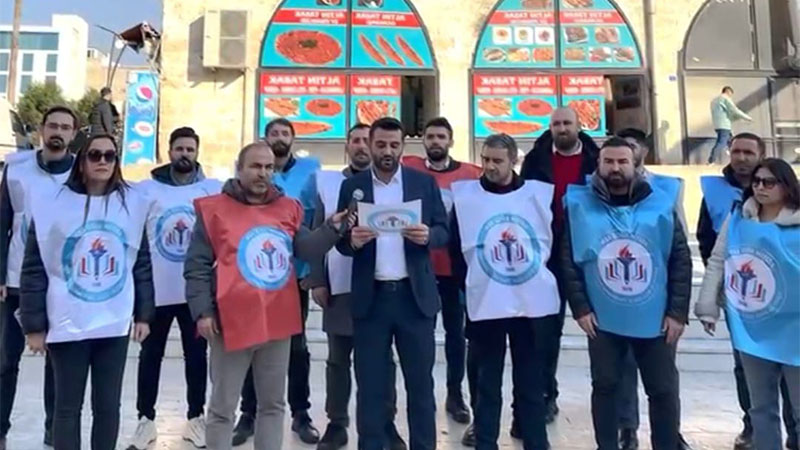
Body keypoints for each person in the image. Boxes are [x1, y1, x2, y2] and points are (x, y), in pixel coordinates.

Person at [184, 141, 346, 450]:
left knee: (273, 405)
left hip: (276, 321)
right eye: (256, 166)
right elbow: (197, 265)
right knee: (222, 407)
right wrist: (203, 311)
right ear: (239, 169)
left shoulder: (287, 208)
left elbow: (306, 248)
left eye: (269, 167)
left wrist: (331, 229)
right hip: (230, 321)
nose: (263, 173)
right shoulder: (214, 209)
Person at [19, 134, 154, 450]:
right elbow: (34, 268)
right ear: (82, 161)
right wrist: (34, 326)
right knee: (67, 406)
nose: (103, 161)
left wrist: (144, 315)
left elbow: (141, 262)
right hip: (67, 321)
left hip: (114, 322)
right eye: (95, 155)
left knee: (108, 405)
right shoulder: (52, 205)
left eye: (110, 156)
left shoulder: (131, 206)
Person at [560, 137, 692, 450]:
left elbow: (680, 259)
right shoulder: (579, 205)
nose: (615, 168)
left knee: (662, 390)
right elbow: (568, 259)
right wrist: (580, 307)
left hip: (656, 318)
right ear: (598, 165)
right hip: (602, 319)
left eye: (622, 161)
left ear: (635, 165)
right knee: (605, 386)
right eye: (609, 161)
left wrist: (677, 312)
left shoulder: (661, 204)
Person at [336, 117, 448, 450]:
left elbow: (444, 230)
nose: (387, 151)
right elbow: (340, 240)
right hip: (372, 300)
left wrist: (428, 235)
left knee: (421, 386)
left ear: (403, 147)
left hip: (414, 300)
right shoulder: (353, 187)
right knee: (370, 387)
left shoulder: (422, 183)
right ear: (370, 145)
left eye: (394, 145)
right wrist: (351, 241)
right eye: (381, 144)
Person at [450, 133, 560, 450]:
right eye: (485, 159)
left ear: (514, 161)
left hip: (529, 303)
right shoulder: (467, 198)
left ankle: (535, 441)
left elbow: (553, 240)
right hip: (486, 301)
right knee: (487, 381)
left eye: (497, 161)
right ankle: (486, 442)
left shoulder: (536, 196)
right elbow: (457, 247)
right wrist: (470, 285)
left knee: (530, 381)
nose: (490, 166)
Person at [308, 124, 406, 450]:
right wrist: (317, 280)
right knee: (338, 360)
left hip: (381, 287)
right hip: (340, 285)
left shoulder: (392, 185)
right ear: (347, 145)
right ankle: (337, 423)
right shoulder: (329, 185)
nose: (362, 146)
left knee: (382, 362)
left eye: (367, 140)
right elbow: (317, 231)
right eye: (356, 140)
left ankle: (386, 423)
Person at [697, 132, 797, 449]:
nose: (761, 187)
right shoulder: (739, 217)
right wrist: (707, 305)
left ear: (787, 186)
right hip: (752, 322)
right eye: (757, 182)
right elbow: (718, 258)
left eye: (769, 182)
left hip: (793, 327)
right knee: (761, 406)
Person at [126, 127, 222, 449]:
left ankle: (195, 417)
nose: (185, 154)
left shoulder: (211, 190)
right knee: (150, 356)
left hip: (194, 292)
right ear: (169, 152)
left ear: (197, 153)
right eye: (179, 148)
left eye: (190, 149)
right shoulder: (146, 190)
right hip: (157, 292)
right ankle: (145, 419)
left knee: (196, 356)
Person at [234, 118, 321, 446]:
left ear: (293, 139)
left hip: (292, 276)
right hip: (254, 274)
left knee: (296, 347)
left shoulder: (311, 172)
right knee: (251, 343)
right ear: (265, 138)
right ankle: (248, 413)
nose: (280, 137)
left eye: (285, 133)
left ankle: (301, 413)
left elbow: (312, 223)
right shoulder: (252, 175)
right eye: (274, 133)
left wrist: (310, 270)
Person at [0, 105, 78, 449]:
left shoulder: (81, 170)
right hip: (17, 280)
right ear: (42, 130)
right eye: (53, 125)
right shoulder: (16, 169)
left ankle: (52, 434)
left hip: (61, 282)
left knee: (57, 365)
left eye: (65, 127)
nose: (58, 132)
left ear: (73, 134)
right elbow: (2, 221)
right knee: (5, 360)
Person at [520, 106, 600, 427]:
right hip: (547, 255)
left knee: (602, 333)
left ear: (579, 126)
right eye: (556, 124)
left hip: (588, 252)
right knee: (544, 332)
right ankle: (545, 395)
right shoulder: (535, 160)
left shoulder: (597, 159)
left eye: (567, 123)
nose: (562, 128)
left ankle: (611, 404)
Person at [614, 128, 693, 450]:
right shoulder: (603, 186)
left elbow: (679, 243)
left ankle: (670, 432)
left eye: (632, 146)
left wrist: (677, 308)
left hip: (657, 294)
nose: (626, 153)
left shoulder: (667, 187)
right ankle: (627, 427)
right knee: (623, 368)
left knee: (663, 375)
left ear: (643, 151)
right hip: (620, 290)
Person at [401, 117, 481, 425]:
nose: (435, 141)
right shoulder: (410, 169)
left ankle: (455, 393)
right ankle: (423, 394)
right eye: (430, 136)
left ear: (450, 141)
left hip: (454, 270)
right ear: (423, 140)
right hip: (418, 267)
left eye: (441, 137)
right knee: (421, 335)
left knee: (455, 334)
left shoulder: (470, 175)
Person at [708, 86, 753, 164]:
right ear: (728, 92)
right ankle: (711, 160)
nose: (731, 96)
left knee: (731, 142)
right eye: (731, 94)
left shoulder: (714, 101)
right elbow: (734, 110)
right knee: (721, 142)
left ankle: (735, 158)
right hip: (724, 125)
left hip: (718, 125)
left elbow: (723, 113)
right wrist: (747, 118)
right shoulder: (725, 99)